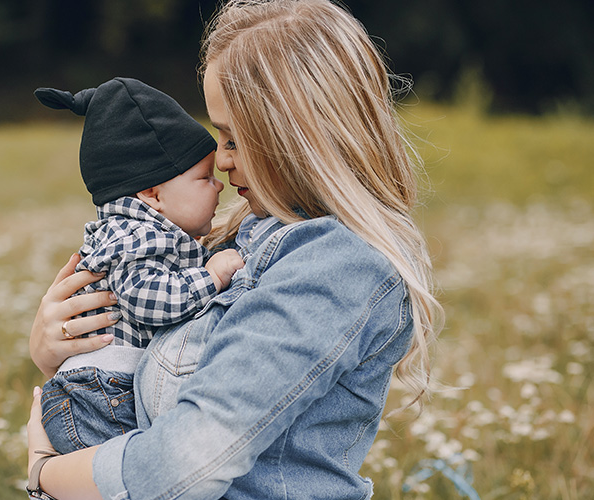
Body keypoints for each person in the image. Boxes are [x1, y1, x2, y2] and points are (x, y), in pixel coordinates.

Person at [26, 1, 444, 499]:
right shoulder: (236, 241)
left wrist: (45, 473)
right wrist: (57, 352)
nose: (221, 161)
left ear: (295, 138)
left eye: (234, 140)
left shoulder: (334, 268)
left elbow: (183, 463)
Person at [33, 77, 245, 455]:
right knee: (136, 477)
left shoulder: (138, 232)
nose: (219, 186)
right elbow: (147, 300)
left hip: (100, 391)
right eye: (204, 178)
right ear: (152, 194)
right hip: (104, 395)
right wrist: (211, 277)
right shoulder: (139, 238)